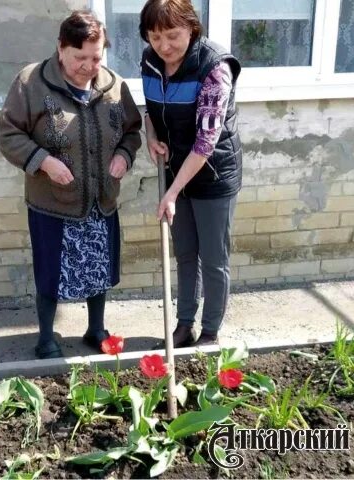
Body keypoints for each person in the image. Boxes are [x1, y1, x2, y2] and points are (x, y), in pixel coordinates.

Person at [0, 10, 142, 359]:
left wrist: (124, 154)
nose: (90, 66)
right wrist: (44, 162)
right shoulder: (31, 83)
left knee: (99, 267)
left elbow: (132, 131)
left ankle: (95, 329)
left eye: (96, 57)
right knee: (51, 270)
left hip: (100, 199)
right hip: (53, 202)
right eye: (81, 57)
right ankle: (46, 337)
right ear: (61, 48)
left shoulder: (113, 86)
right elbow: (8, 133)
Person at [139, 0, 242, 347]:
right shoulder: (150, 63)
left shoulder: (215, 67)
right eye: (155, 37)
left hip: (213, 174)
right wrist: (151, 135)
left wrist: (171, 193)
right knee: (185, 253)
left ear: (192, 28)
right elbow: (152, 110)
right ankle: (184, 326)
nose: (164, 46)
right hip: (175, 170)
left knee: (213, 258)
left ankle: (210, 332)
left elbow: (206, 141)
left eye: (173, 35)